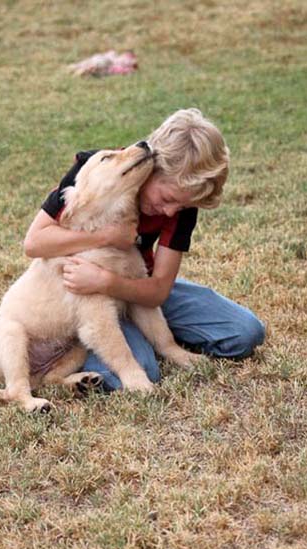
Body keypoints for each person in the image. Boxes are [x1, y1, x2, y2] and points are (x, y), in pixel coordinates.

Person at [24, 108, 265, 391]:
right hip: (89, 299)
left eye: (182, 206)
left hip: (137, 289)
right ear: (154, 167)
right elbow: (34, 242)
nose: (172, 210)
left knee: (246, 333)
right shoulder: (100, 170)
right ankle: (94, 343)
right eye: (167, 198)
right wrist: (108, 236)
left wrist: (108, 282)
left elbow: (160, 289)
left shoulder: (183, 203)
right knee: (141, 371)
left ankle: (147, 334)